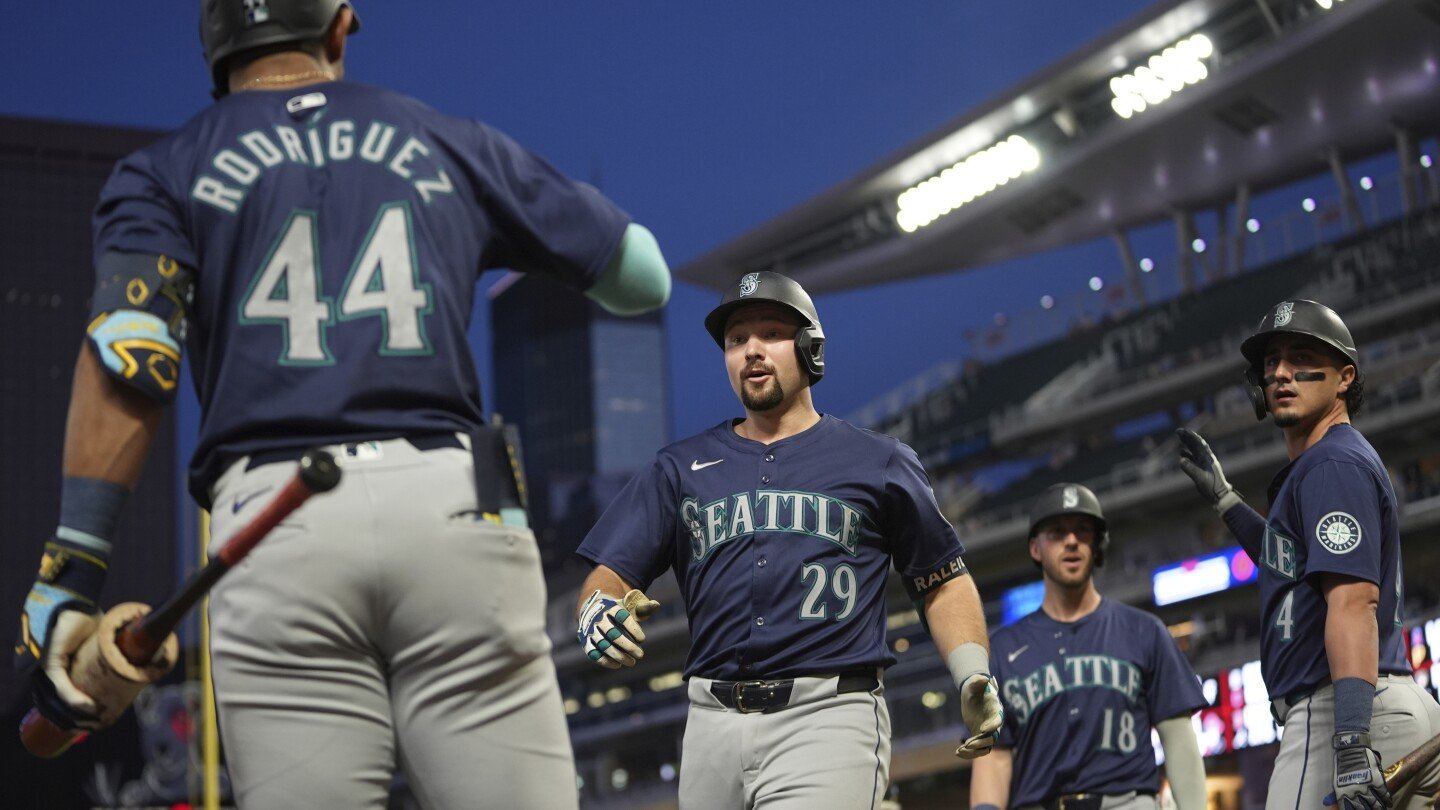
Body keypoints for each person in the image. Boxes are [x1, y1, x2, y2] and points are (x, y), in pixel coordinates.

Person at [14, 2, 671, 807]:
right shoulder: (448, 138)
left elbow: (131, 365)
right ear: (338, 28)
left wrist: (69, 573)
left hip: (273, 525)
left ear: (216, 49)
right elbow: (642, 277)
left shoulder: (163, 170)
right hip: (456, 509)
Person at [572, 271, 1004, 809]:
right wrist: (597, 607)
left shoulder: (878, 460)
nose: (752, 350)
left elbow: (940, 577)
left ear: (810, 349)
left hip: (826, 715)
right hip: (710, 723)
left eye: (771, 333)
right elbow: (610, 571)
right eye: (736, 340)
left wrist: (970, 673)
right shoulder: (678, 468)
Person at [1177, 299, 1440, 810]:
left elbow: (1354, 603)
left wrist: (1349, 743)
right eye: (1271, 362)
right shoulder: (1330, 463)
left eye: (1301, 358)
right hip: (1391, 705)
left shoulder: (1330, 464)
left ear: (1344, 378)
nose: (1280, 372)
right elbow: (1290, 563)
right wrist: (1227, 501)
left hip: (1341, 712)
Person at [969, 483, 1208, 810]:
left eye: (1083, 531)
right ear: (1035, 548)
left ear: (1097, 545)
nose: (1071, 541)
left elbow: (1179, 740)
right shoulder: (1001, 648)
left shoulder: (1145, 630)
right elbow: (994, 758)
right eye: (1057, 532)